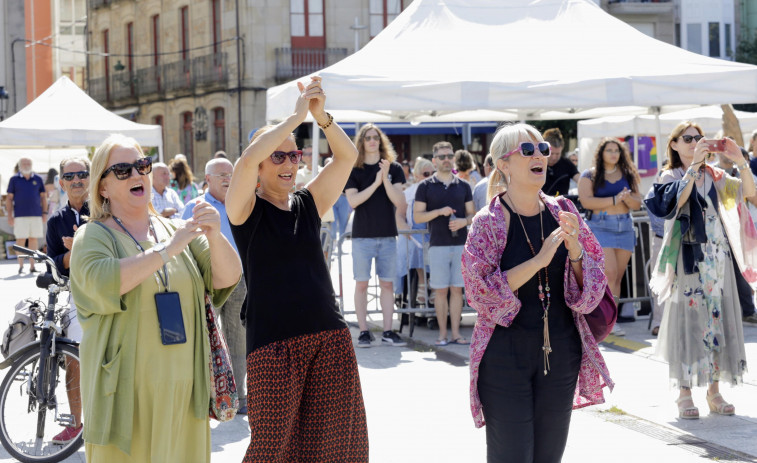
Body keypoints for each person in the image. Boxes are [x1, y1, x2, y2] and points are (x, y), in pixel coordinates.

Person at [70, 133, 241, 462]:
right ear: (102, 187)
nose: (136, 174)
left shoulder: (176, 228)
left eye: (141, 165)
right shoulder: (92, 236)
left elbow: (228, 276)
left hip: (186, 393)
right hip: (125, 396)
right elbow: (104, 281)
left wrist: (216, 236)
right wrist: (166, 250)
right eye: (122, 169)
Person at [226, 76, 368, 462]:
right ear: (261, 166)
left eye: (295, 155)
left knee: (338, 447)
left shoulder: (307, 203)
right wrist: (295, 118)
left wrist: (321, 118)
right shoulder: (246, 211)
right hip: (274, 345)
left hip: (329, 336)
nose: (290, 162)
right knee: (270, 449)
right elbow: (245, 161)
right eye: (279, 156)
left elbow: (347, 157)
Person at [461, 123, 612, 462]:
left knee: (549, 456)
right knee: (511, 455)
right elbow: (478, 291)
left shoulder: (565, 212)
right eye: (527, 151)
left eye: (542, 148)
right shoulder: (488, 222)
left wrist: (574, 250)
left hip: (560, 353)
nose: (539, 155)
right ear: (503, 164)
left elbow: (593, 285)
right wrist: (539, 260)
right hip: (503, 356)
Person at [646, 121, 757, 420]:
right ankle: (684, 393)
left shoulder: (717, 176)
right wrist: (695, 165)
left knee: (715, 322)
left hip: (716, 258)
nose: (696, 142)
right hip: (685, 258)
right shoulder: (670, 175)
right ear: (675, 144)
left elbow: (749, 195)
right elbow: (676, 202)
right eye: (688, 138)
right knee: (687, 322)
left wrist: (740, 161)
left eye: (700, 138)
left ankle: (714, 390)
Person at [182, 157, 248, 413]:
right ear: (207, 179)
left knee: (237, 339)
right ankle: (206, 397)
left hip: (239, 279)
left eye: (230, 173)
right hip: (206, 279)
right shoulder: (194, 207)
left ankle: (239, 397)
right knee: (207, 338)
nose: (227, 178)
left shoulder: (240, 203)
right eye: (220, 174)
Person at [345, 123, 407, 348]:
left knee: (387, 285)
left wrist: (386, 178)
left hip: (388, 236)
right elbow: (353, 201)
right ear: (361, 142)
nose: (372, 141)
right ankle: (364, 331)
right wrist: (376, 183)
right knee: (361, 284)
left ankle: (388, 330)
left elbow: (400, 202)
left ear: (381, 141)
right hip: (362, 237)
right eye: (368, 137)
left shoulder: (394, 168)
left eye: (376, 137)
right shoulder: (354, 169)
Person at [45, 157, 89, 444]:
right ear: (61, 182)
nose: (76, 180)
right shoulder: (55, 221)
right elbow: (52, 265)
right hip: (76, 296)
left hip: (112, 292)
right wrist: (73, 255)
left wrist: (87, 243)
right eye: (70, 175)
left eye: (82, 174)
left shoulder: (105, 209)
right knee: (74, 361)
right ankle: (75, 425)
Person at [414, 141, 474, 345]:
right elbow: (418, 217)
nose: (446, 159)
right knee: (440, 291)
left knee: (457, 290)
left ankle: (456, 334)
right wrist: (439, 212)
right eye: (442, 157)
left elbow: (473, 215)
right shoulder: (425, 186)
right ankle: (442, 335)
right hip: (437, 244)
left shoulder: (464, 185)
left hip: (460, 245)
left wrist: (463, 221)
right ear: (434, 160)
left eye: (449, 156)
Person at [577, 139, 641, 322]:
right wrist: (615, 199)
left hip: (625, 227)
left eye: (617, 150)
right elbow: (587, 201)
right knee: (609, 274)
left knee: (617, 278)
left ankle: (611, 320)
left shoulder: (628, 174)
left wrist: (626, 199)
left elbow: (637, 203)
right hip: (600, 226)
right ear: (601, 153)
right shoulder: (589, 175)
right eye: (609, 150)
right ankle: (601, 319)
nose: (614, 154)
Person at [712, 145, 757, 325]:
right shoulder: (710, 172)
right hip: (716, 229)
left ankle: (747, 310)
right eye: (724, 151)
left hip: (740, 228)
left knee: (743, 270)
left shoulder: (743, 172)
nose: (727, 155)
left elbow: (753, 195)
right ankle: (721, 312)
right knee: (719, 271)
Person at [396, 157, 434, 304]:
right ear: (417, 175)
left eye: (433, 172)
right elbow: (399, 215)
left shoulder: (440, 190)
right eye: (426, 174)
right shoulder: (409, 193)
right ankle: (423, 283)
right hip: (414, 235)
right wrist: (405, 229)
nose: (430, 176)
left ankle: (433, 284)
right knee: (416, 246)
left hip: (435, 234)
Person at [6, 157, 47, 274]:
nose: (26, 165)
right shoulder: (14, 179)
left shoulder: (38, 179)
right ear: (19, 165)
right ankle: (21, 266)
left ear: (32, 164)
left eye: (28, 163)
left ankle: (32, 266)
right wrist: (10, 215)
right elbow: (9, 199)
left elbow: (43, 197)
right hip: (19, 216)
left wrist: (44, 213)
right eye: (24, 163)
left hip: (36, 215)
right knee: (20, 240)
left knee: (33, 240)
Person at [542, 128, 580, 197]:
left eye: (557, 154)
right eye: (551, 153)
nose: (554, 157)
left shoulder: (567, 164)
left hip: (561, 205)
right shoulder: (537, 163)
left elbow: (580, 180)